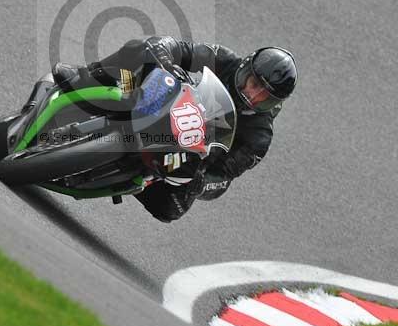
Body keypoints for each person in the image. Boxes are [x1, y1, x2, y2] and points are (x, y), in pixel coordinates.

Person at [52, 36, 297, 222]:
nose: (252, 95)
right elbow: (174, 46)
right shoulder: (224, 59)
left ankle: (131, 176)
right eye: (254, 84)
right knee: (138, 49)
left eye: (264, 96)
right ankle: (83, 77)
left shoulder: (259, 137)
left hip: (184, 157)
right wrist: (166, 62)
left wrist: (201, 180)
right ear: (246, 68)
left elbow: (223, 176)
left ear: (274, 104)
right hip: (161, 104)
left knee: (170, 209)